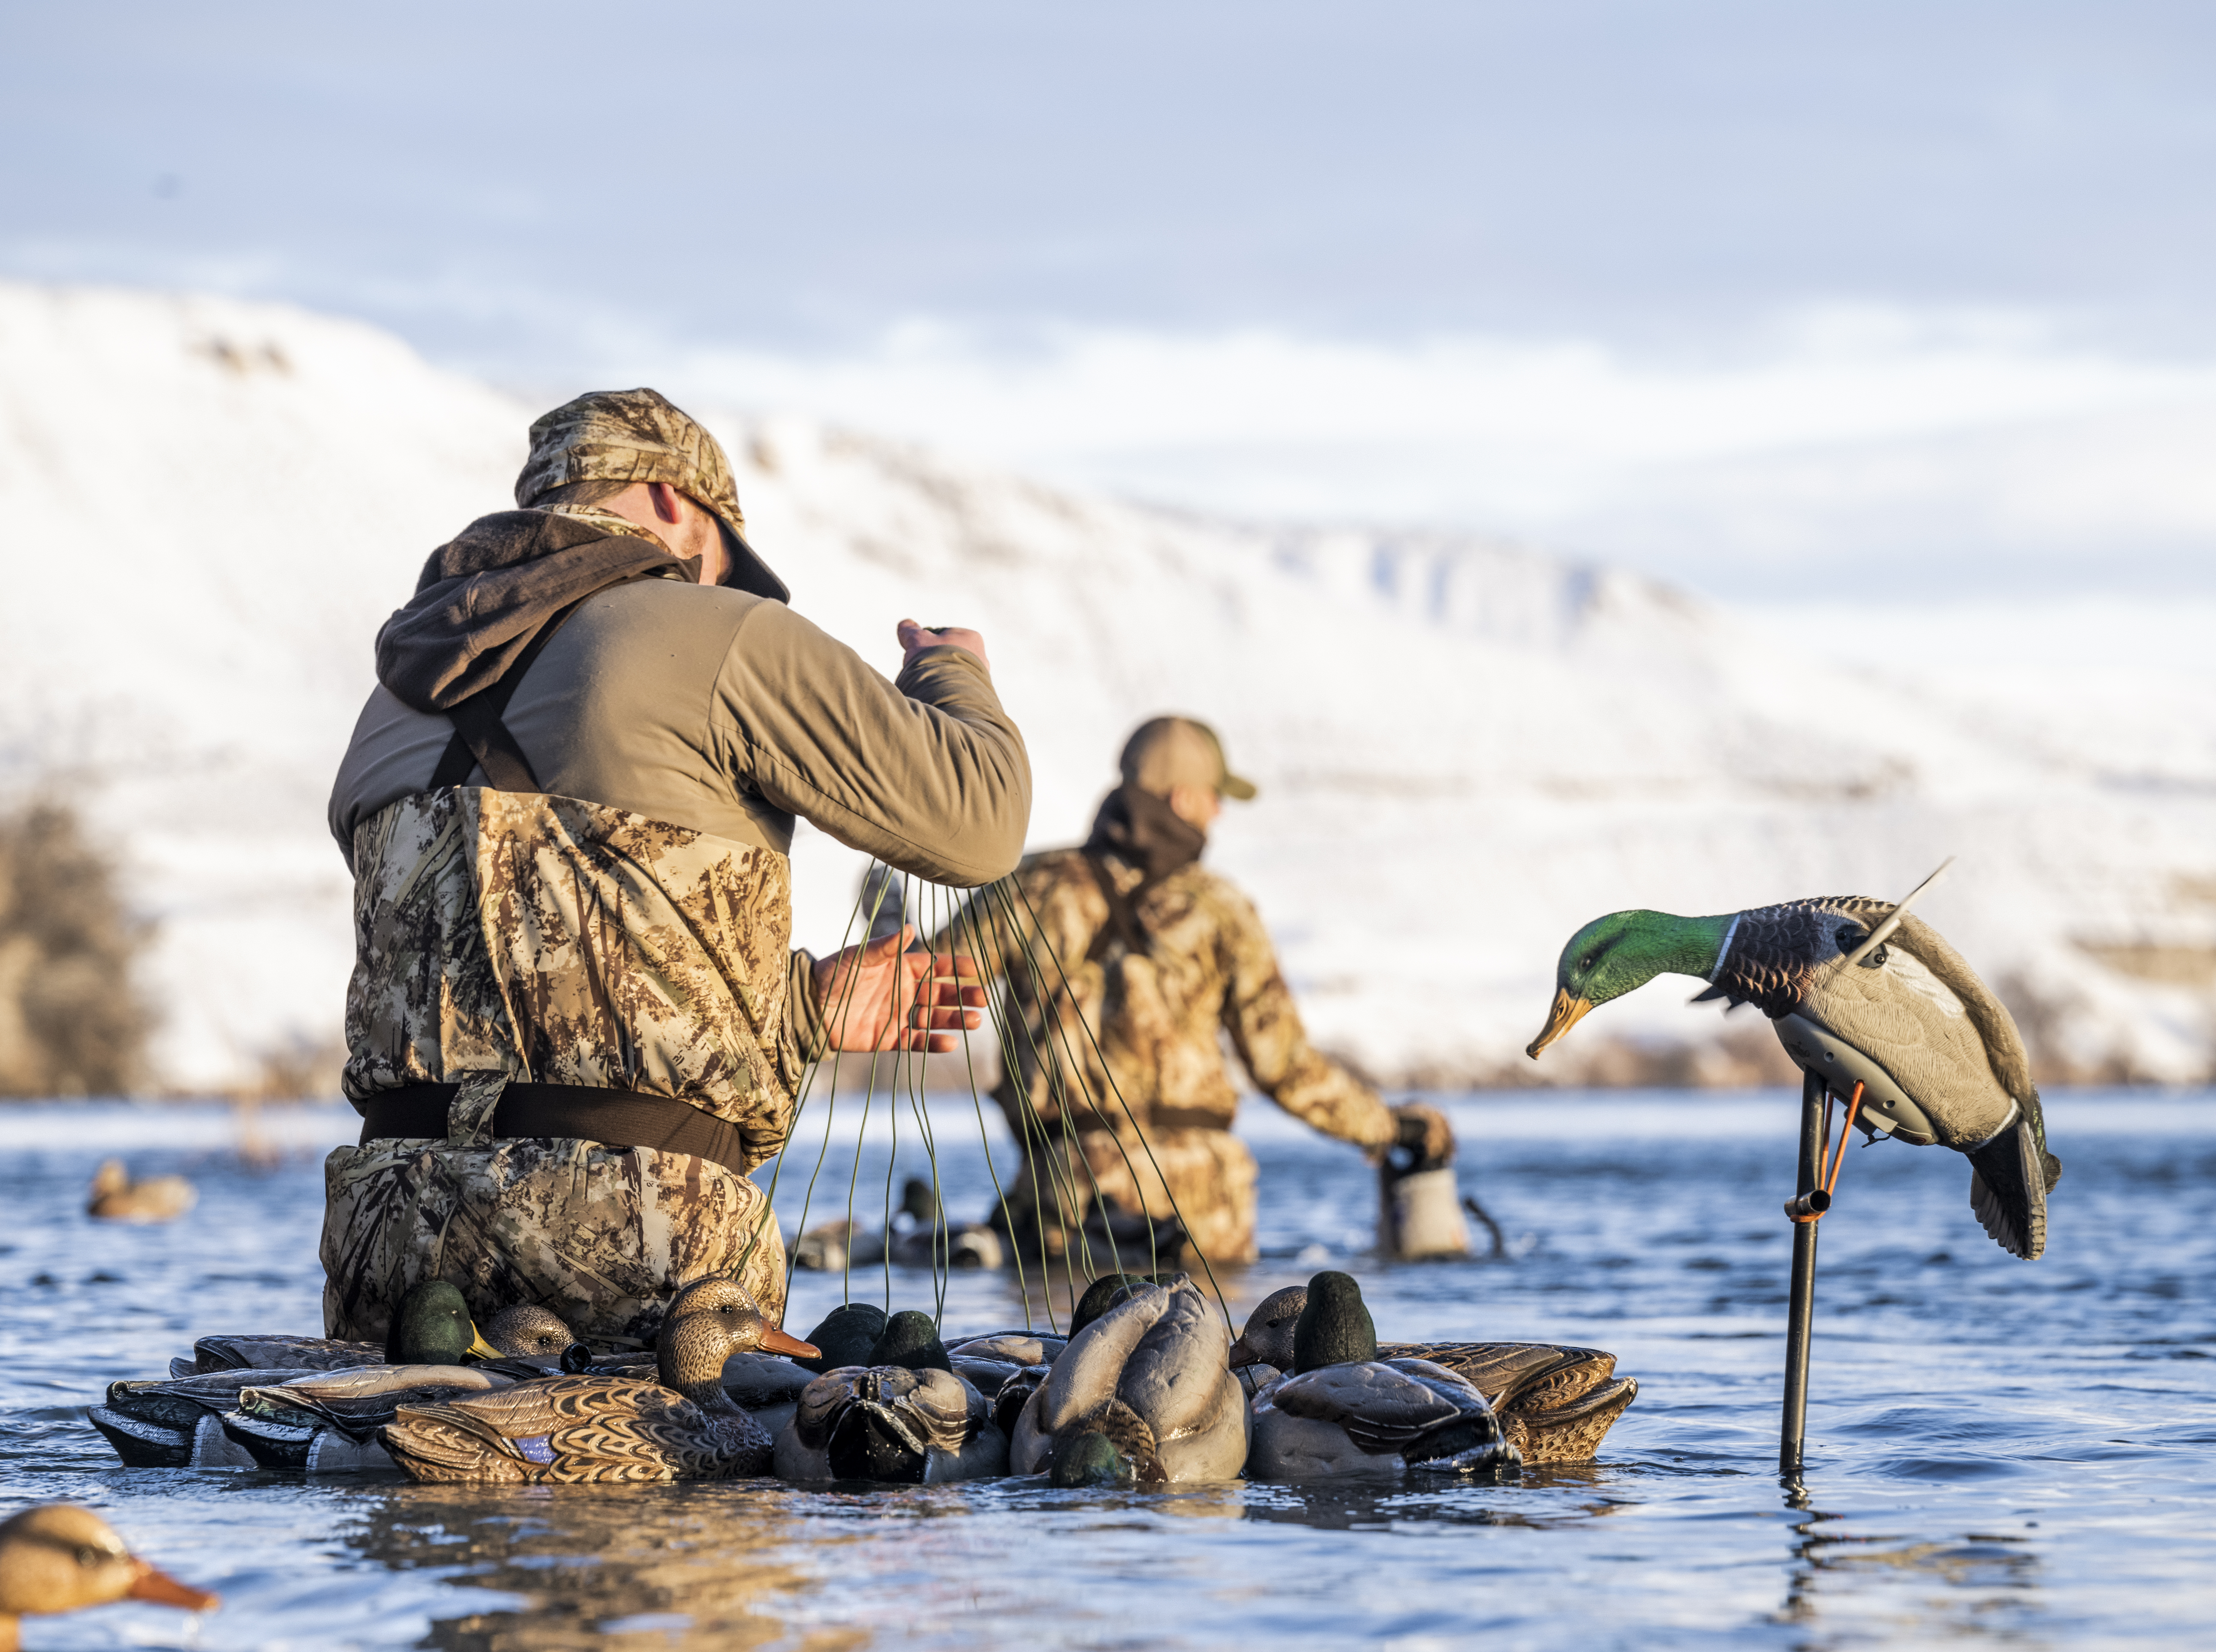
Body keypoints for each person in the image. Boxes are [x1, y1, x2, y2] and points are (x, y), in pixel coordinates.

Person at [321, 387, 1028, 1346]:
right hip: (639, 1232)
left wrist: (810, 1009)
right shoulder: (723, 633)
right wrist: (955, 676)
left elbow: (515, 996)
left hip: (389, 1240)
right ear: (671, 502)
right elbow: (978, 824)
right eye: (726, 560)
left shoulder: (390, 706)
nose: (721, 585)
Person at [941, 716, 1452, 1268]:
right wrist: (1387, 1126)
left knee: (1062, 1347)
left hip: (1066, 1199)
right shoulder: (1222, 909)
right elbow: (1283, 1067)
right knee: (1211, 1349)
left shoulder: (1028, 889)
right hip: (1205, 1214)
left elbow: (924, 988)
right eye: (1214, 797)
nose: (1220, 813)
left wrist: (891, 932)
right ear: (1182, 799)